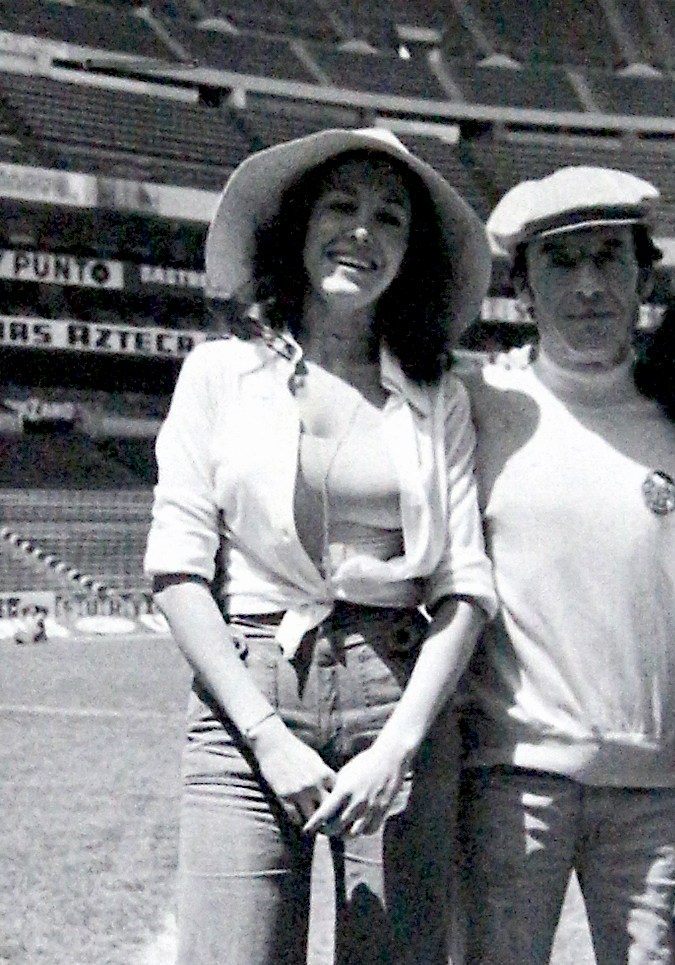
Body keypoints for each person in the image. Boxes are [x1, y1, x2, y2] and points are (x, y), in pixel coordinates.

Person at [144, 127, 497, 965]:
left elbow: (465, 587)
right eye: (340, 206)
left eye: (390, 219)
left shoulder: (436, 395)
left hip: (398, 698)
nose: (362, 233)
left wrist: (398, 747)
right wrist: (266, 732)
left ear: (411, 255)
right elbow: (177, 568)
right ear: (298, 227)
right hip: (246, 697)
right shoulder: (216, 376)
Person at [458, 166, 675, 964]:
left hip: (659, 792)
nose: (587, 284)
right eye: (561, 261)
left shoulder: (670, 418)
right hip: (510, 783)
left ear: (641, 275)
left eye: (608, 258)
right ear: (521, 287)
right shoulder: (482, 405)